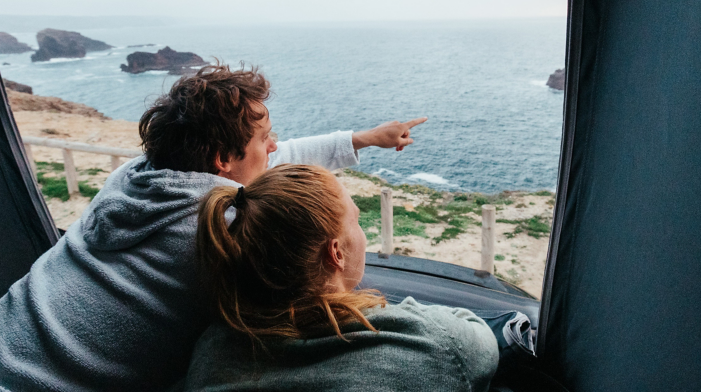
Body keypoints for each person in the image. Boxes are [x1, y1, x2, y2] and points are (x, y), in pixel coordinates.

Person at [0, 64, 427, 391]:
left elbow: (264, 165)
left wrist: (360, 139)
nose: (274, 146)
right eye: (265, 136)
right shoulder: (226, 231)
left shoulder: (133, 179)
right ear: (222, 159)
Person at [185, 164, 499, 391]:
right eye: (357, 221)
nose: (363, 235)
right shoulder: (420, 342)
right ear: (336, 253)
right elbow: (480, 344)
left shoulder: (210, 352)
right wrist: (405, 311)